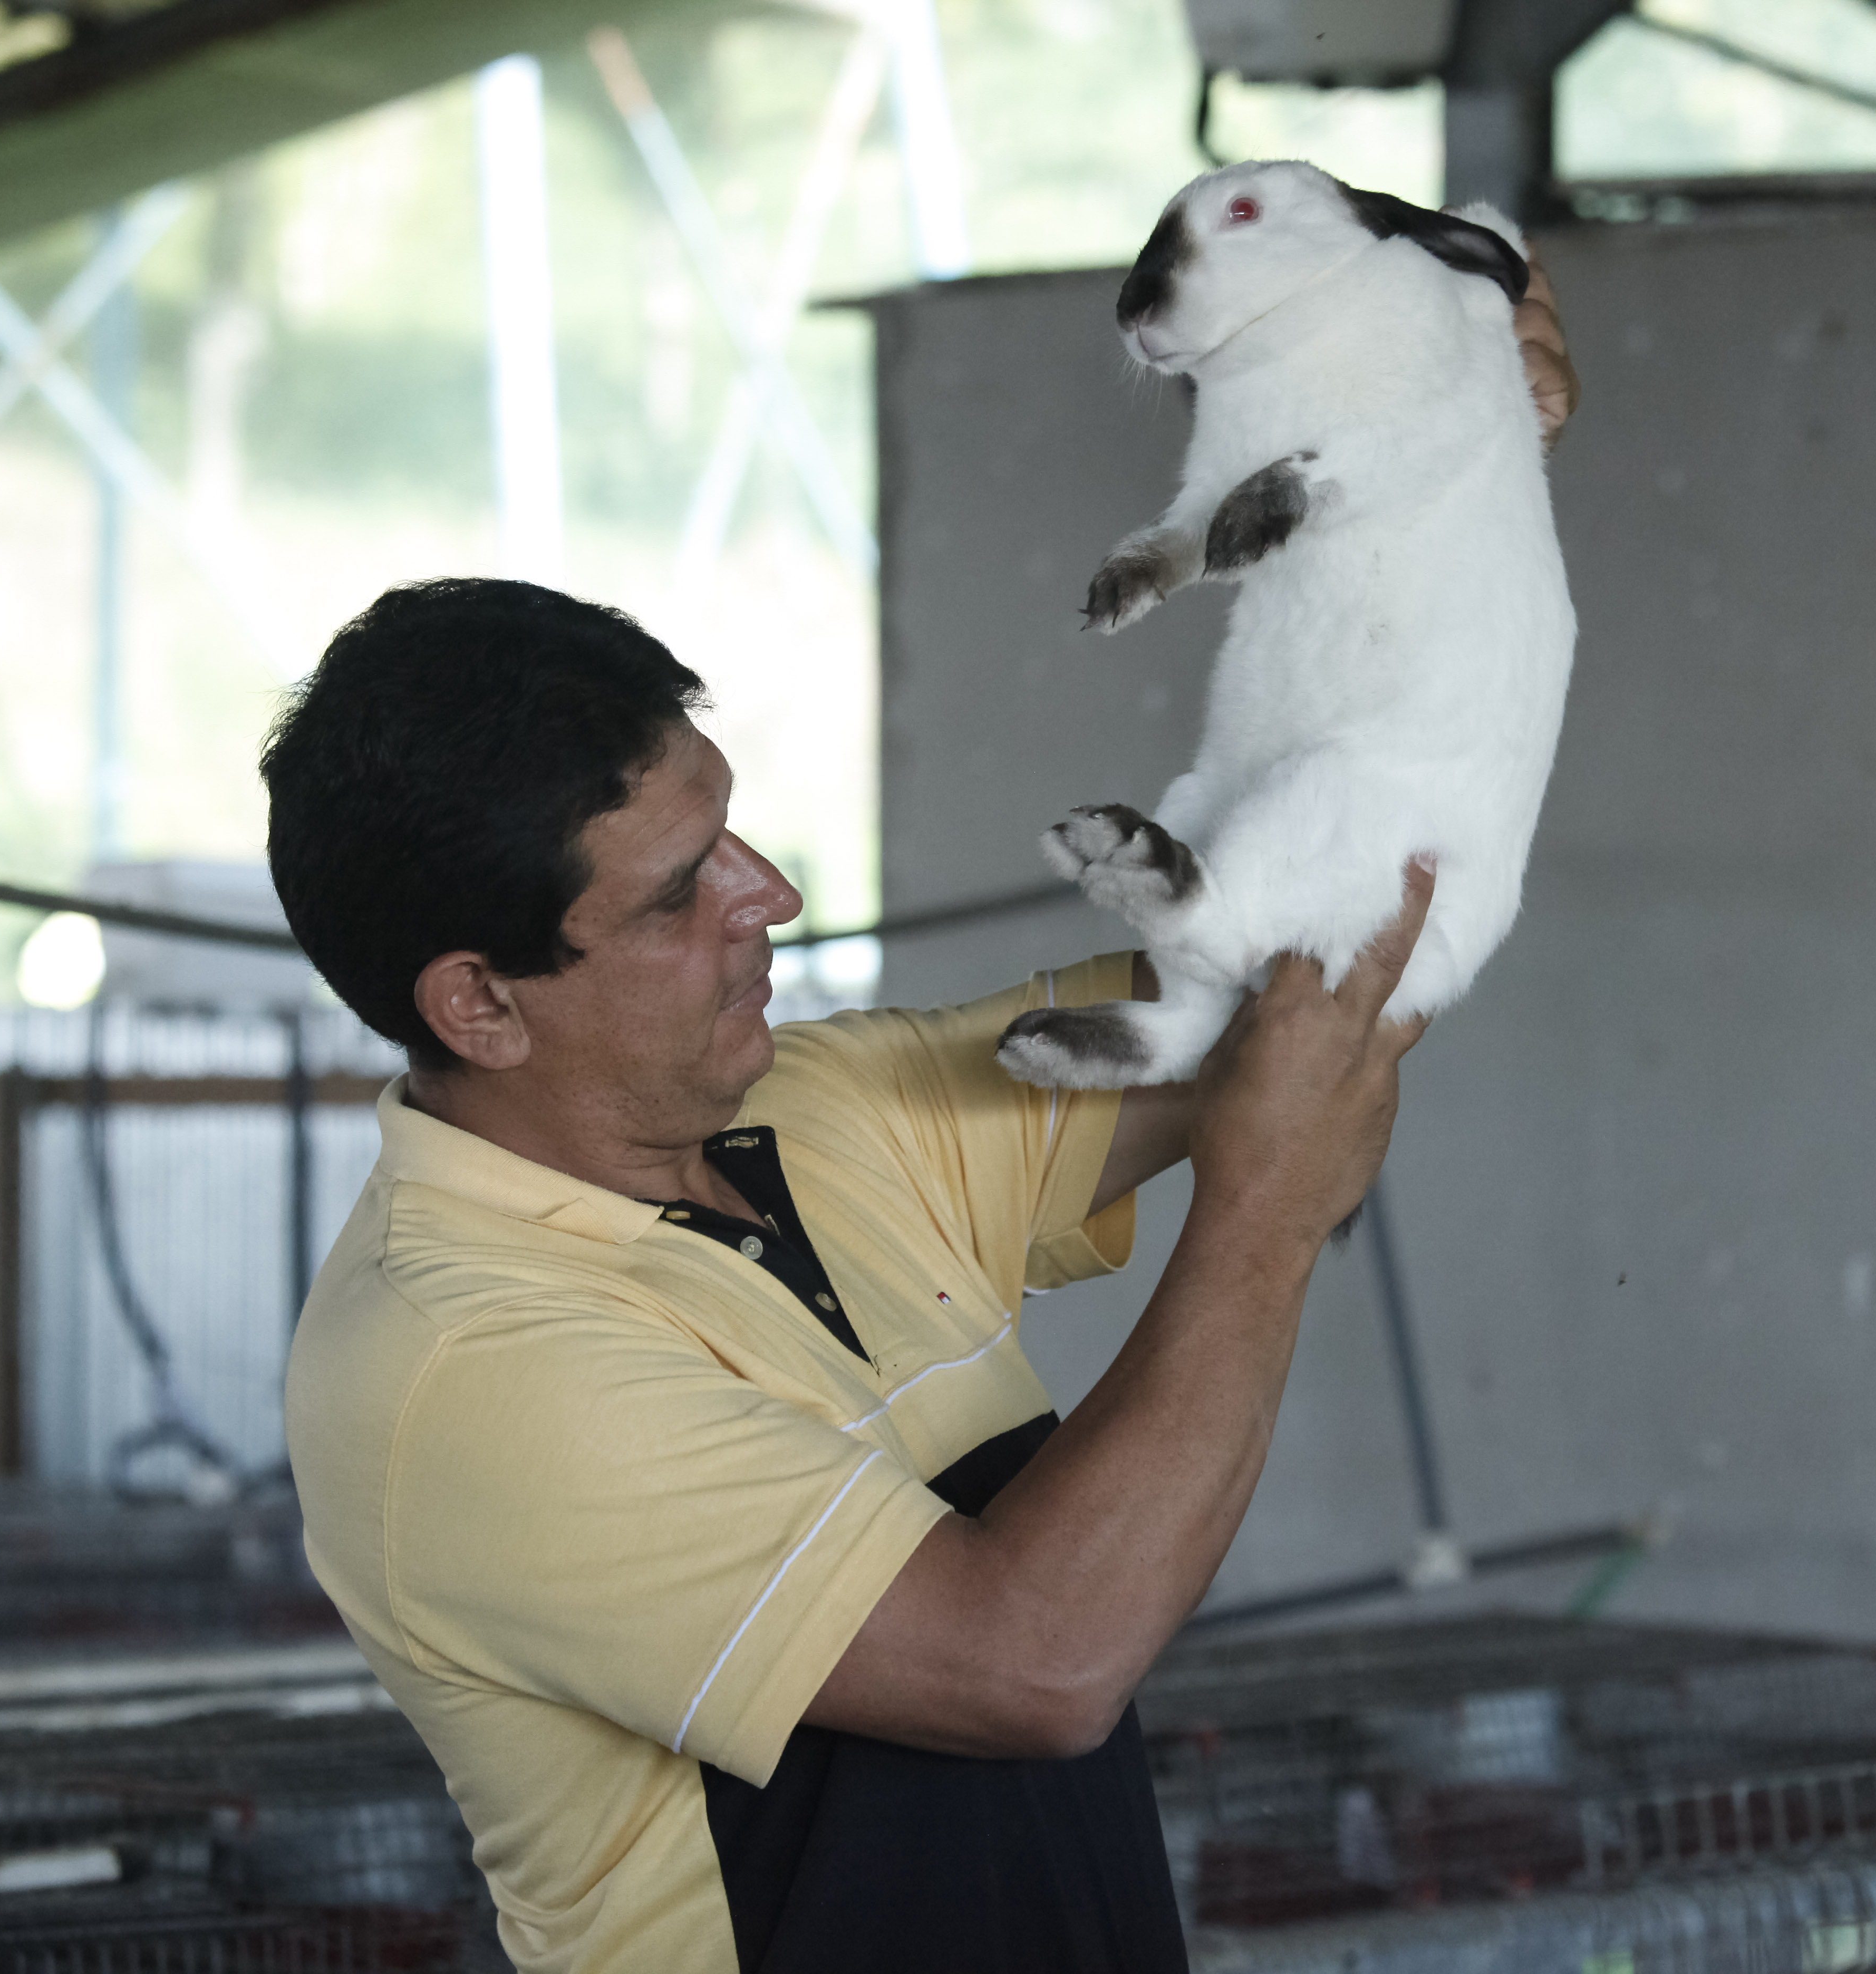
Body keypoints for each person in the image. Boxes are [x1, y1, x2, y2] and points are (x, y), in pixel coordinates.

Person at [265, 264, 1578, 1974]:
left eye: (732, 833)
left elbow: (1307, 979)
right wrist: (1258, 1217)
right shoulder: (469, 1365)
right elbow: (1033, 1663)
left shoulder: (819, 1113)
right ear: (480, 1004)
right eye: (680, 899)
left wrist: (1454, 475)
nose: (775, 896)